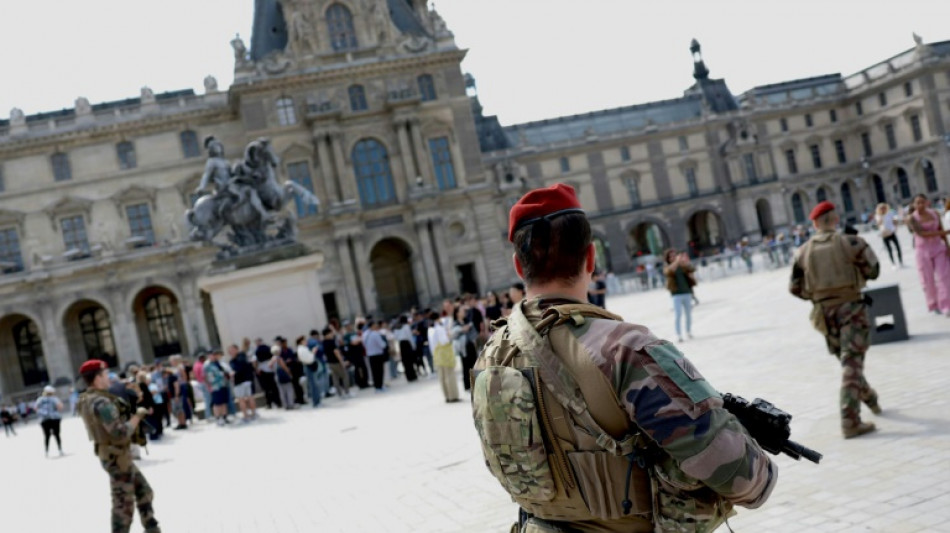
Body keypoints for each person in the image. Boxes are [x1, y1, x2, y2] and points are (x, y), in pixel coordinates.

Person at [473, 184, 775, 532]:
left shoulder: (492, 353)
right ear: (591, 257)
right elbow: (746, 481)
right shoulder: (623, 348)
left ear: (518, 265)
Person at [790, 201, 883, 438]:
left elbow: (794, 287)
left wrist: (818, 296)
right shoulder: (852, 242)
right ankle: (850, 421)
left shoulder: (802, 252)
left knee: (847, 362)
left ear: (814, 223)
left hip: (824, 313)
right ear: (835, 219)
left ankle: (870, 397)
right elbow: (873, 270)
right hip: (851, 307)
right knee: (851, 362)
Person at [77, 360, 161, 533]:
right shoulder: (101, 402)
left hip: (115, 455)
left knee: (144, 491)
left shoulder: (89, 397)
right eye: (105, 374)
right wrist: (137, 416)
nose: (109, 377)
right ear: (97, 378)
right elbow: (120, 432)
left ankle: (152, 528)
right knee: (124, 507)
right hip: (117, 458)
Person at [906, 194, 950, 315]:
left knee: (943, 276)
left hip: (938, 248)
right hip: (923, 250)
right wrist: (945, 232)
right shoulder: (911, 218)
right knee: (928, 279)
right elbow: (922, 234)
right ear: (914, 205)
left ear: (927, 202)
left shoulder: (934, 213)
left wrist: (947, 245)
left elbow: (941, 228)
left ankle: (946, 305)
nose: (920, 205)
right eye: (917, 203)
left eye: (922, 202)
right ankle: (933, 303)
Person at [663, 249, 696, 342]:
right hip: (676, 294)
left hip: (687, 292)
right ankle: (678, 334)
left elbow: (692, 269)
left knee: (688, 314)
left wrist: (685, 262)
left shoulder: (682, 265)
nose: (673, 257)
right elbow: (669, 271)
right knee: (678, 315)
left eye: (674, 255)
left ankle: (688, 331)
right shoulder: (667, 266)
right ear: (668, 258)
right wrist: (677, 261)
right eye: (671, 256)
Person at [427, 311, 459, 403]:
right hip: (444, 353)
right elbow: (445, 341)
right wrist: (449, 334)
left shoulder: (430, 329)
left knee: (442, 376)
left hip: (436, 354)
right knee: (449, 375)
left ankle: (447, 396)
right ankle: (453, 396)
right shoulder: (439, 328)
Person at [228, 344, 257, 421]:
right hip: (246, 380)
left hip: (241, 381)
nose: (231, 352)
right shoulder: (242, 357)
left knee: (242, 399)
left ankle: (246, 416)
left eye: (232, 350)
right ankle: (253, 413)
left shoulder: (238, 358)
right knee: (249, 397)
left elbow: (238, 369)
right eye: (230, 351)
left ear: (237, 349)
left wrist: (233, 372)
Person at [204, 349, 232, 425]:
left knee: (223, 402)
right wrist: (220, 375)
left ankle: (224, 417)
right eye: (212, 355)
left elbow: (226, 371)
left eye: (215, 354)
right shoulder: (207, 365)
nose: (214, 356)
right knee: (217, 403)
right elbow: (209, 378)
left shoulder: (219, 363)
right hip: (215, 386)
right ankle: (218, 418)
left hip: (223, 384)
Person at [35, 386, 64, 456]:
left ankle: (46, 451)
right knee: (57, 435)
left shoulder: (40, 399)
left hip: (44, 420)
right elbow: (60, 407)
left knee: (47, 436)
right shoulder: (54, 399)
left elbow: (36, 408)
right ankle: (60, 450)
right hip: (55, 418)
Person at [322, 327, 351, 397]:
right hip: (336, 362)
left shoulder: (323, 342)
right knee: (344, 376)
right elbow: (336, 352)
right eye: (331, 333)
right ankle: (347, 392)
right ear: (327, 334)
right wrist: (342, 362)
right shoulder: (331, 342)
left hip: (330, 362)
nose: (332, 334)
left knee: (335, 378)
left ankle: (340, 394)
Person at [874, 203, 904, 269]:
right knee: (889, 249)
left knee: (898, 247)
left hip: (892, 232)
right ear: (879, 209)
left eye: (884, 208)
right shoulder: (878, 215)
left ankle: (901, 262)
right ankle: (893, 264)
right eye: (881, 208)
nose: (883, 209)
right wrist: (881, 217)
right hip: (885, 234)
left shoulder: (889, 213)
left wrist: (896, 228)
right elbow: (878, 224)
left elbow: (894, 221)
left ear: (886, 208)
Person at [296, 335, 321, 406]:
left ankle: (317, 401)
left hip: (309, 367)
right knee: (313, 385)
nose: (306, 341)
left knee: (314, 384)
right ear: (301, 341)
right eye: (304, 340)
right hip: (309, 367)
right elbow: (309, 359)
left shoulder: (304, 348)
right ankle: (316, 402)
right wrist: (313, 352)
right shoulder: (301, 349)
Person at [393, 316, 418, 382]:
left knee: (405, 361)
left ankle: (408, 377)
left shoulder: (397, 328)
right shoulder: (406, 326)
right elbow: (410, 337)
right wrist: (413, 346)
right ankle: (413, 376)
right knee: (409, 360)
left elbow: (395, 337)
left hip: (401, 344)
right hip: (407, 343)